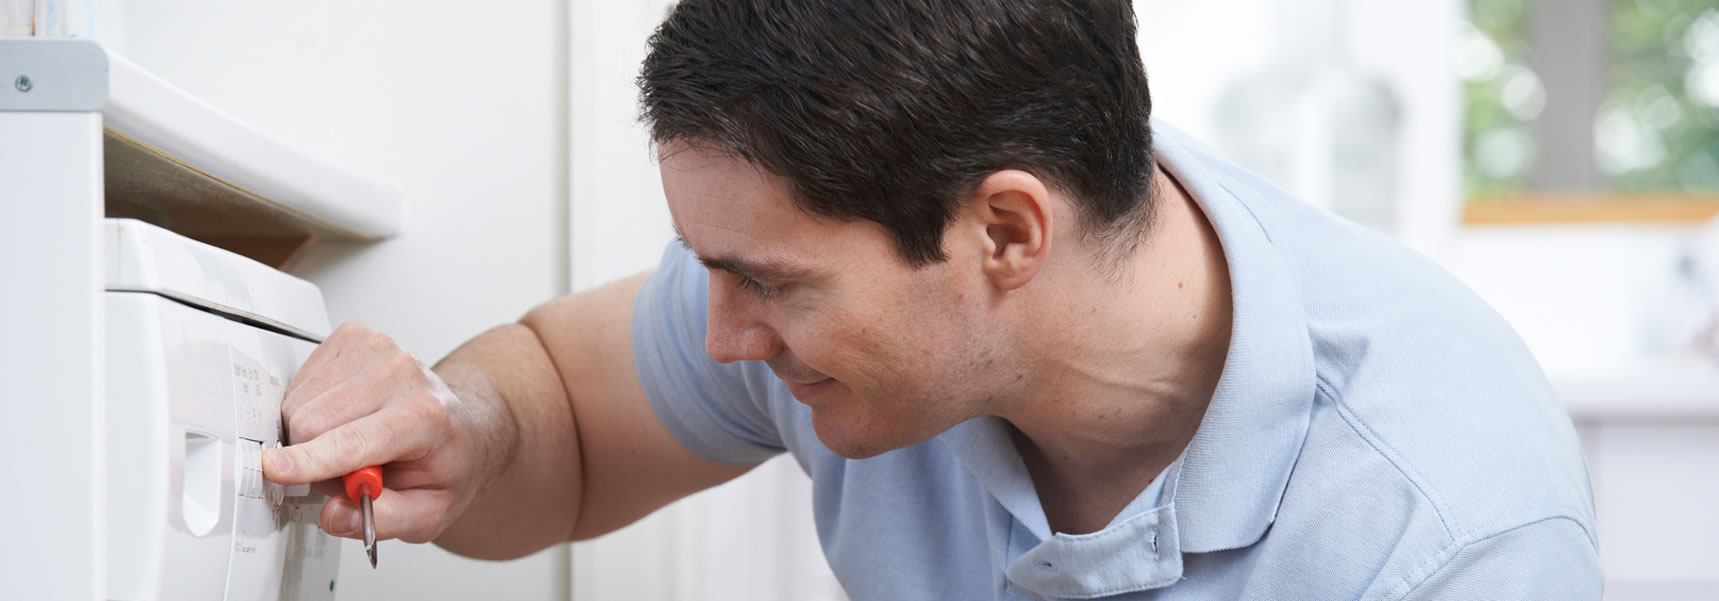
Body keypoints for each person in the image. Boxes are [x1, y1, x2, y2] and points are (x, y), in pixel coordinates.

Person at [262, 0, 1601, 598]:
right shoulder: (825, 290)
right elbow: (560, 408)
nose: (723, 336)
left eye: (767, 284)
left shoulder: (1444, 532)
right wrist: (463, 424)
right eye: (713, 269)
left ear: (1005, 232)